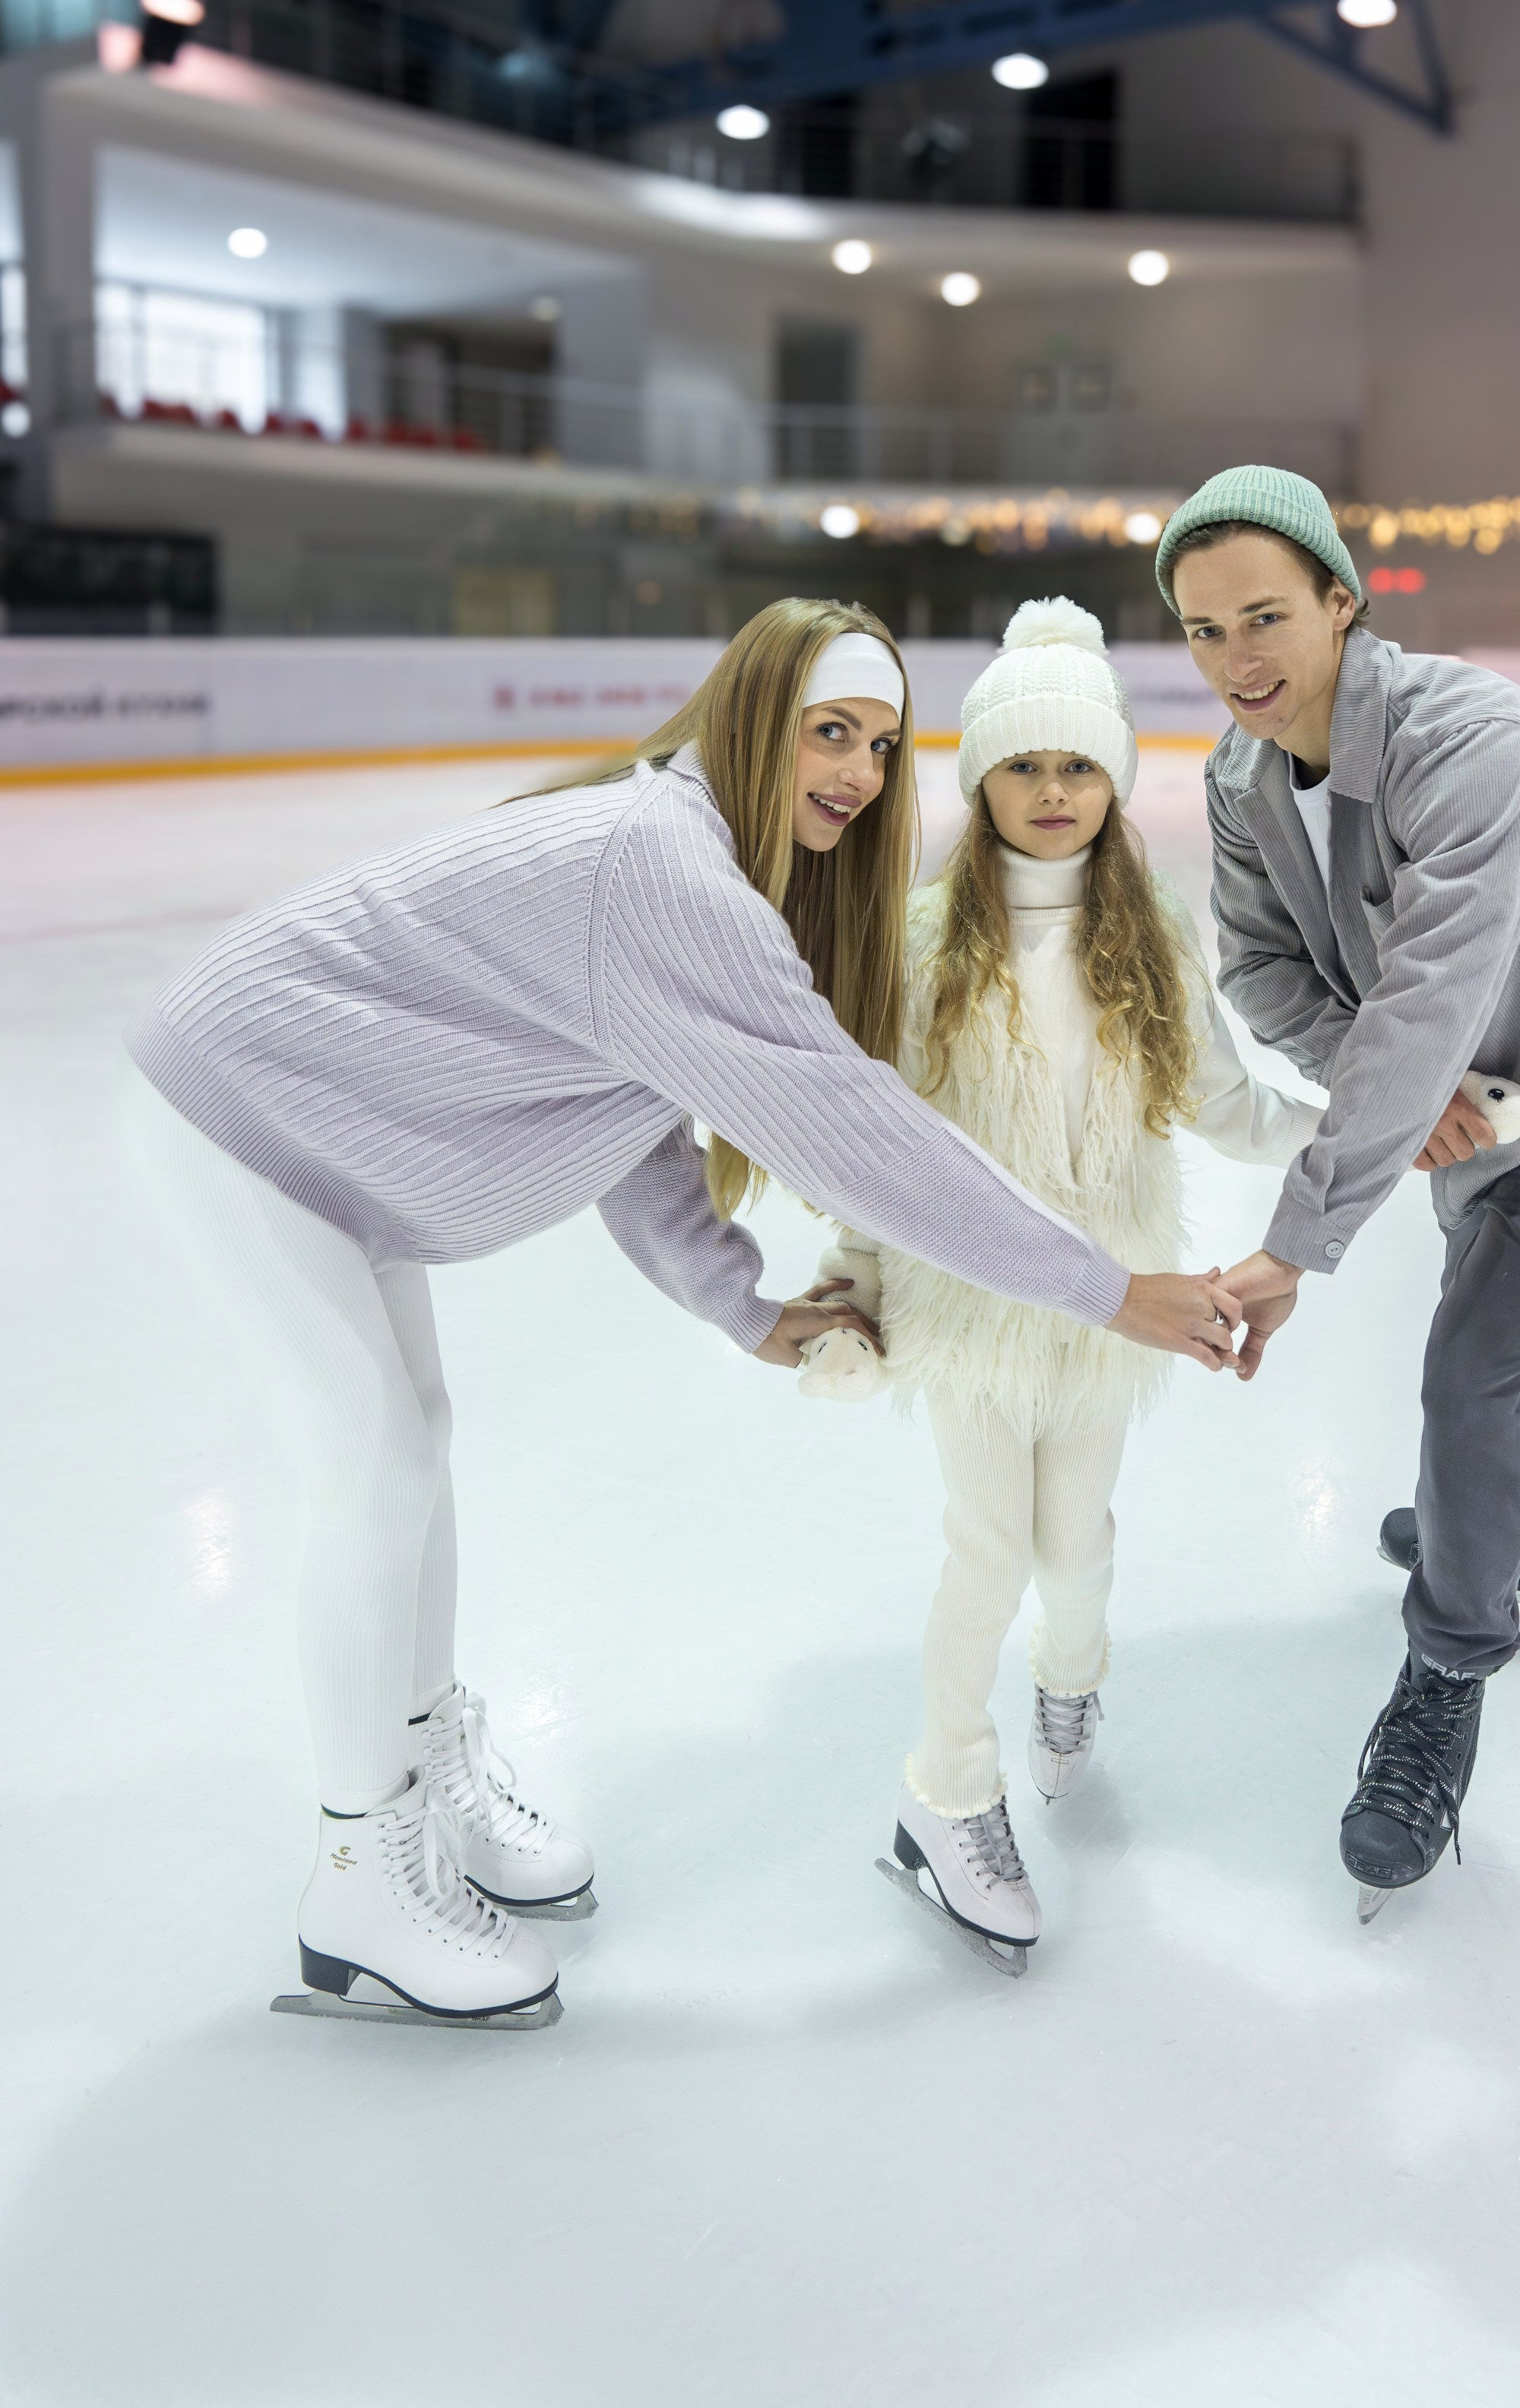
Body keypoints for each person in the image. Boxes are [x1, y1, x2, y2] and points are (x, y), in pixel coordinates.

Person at [121, 598, 1243, 2028]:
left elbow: (629, 1113)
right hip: (244, 1112)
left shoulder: (692, 858)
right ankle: (359, 1872)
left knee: (416, 1448)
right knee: (379, 1466)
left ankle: (420, 1773)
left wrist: (740, 1305)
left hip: (334, 1144)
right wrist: (1107, 1286)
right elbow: (860, 1133)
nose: (856, 770)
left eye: (884, 746)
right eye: (828, 730)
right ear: (749, 716)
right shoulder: (665, 872)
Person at [1157, 469, 1520, 1916]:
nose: (1238, 662)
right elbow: (1268, 971)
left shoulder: (1480, 744)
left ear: (1345, 601)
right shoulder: (1239, 781)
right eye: (1204, 633)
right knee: (1506, 1335)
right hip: (1468, 1123)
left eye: (1266, 616)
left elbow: (1430, 993)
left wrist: (1296, 1244)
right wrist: (1424, 1111)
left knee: (1471, 1383)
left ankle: (1447, 1676)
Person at [819, 601, 1319, 1966]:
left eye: (1081, 767)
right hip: (967, 1308)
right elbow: (870, 1140)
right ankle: (948, 1789)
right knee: (985, 1550)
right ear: (980, 780)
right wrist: (852, 1283)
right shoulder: (921, 943)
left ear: (1115, 778)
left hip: (1114, 1307)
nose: (1054, 794)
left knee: (1074, 1549)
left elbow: (1224, 1101)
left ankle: (1073, 1681)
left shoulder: (1148, 930)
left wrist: (1363, 1127)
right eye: (1027, 767)